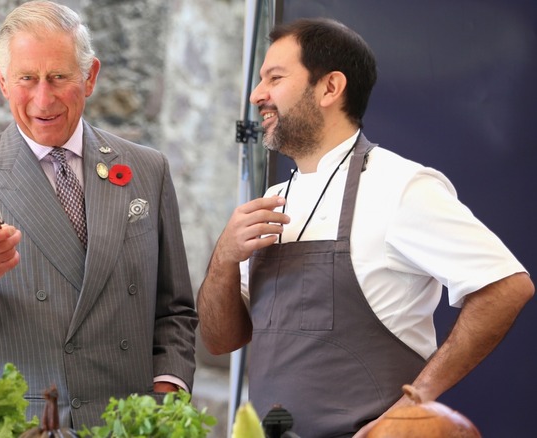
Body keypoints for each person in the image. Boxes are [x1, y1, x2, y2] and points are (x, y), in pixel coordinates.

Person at [197, 17, 533, 438]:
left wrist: (415, 402)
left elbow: (507, 286)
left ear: (330, 88)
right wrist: (224, 257)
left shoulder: (401, 186)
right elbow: (219, 340)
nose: (256, 94)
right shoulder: (271, 201)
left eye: (275, 78)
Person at [0, 0, 197, 429]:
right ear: (2, 81)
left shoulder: (148, 170)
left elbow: (174, 308)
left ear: (90, 77)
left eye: (59, 77)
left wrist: (167, 391)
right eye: (27, 79)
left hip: (131, 423)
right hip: (33, 424)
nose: (43, 99)